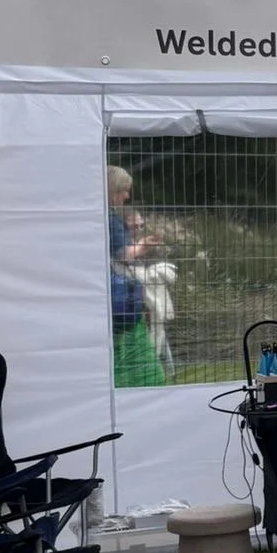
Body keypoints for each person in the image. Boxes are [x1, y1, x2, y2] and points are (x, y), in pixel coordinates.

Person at [107, 165, 165, 387]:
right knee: (128, 343)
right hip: (121, 296)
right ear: (113, 189)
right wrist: (144, 245)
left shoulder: (98, 216)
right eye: (124, 190)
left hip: (113, 293)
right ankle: (137, 384)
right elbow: (125, 255)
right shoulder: (111, 219)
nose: (127, 196)